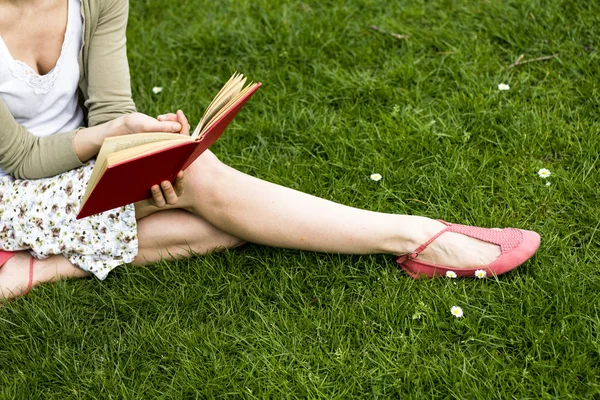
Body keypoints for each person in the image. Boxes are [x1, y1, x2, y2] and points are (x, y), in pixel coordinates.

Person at [0, 0, 540, 300]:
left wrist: (136, 147)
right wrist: (109, 138)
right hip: (11, 189)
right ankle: (416, 236)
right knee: (207, 185)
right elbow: (22, 160)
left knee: (234, 221)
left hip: (75, 175)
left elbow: (110, 106)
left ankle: (35, 270)